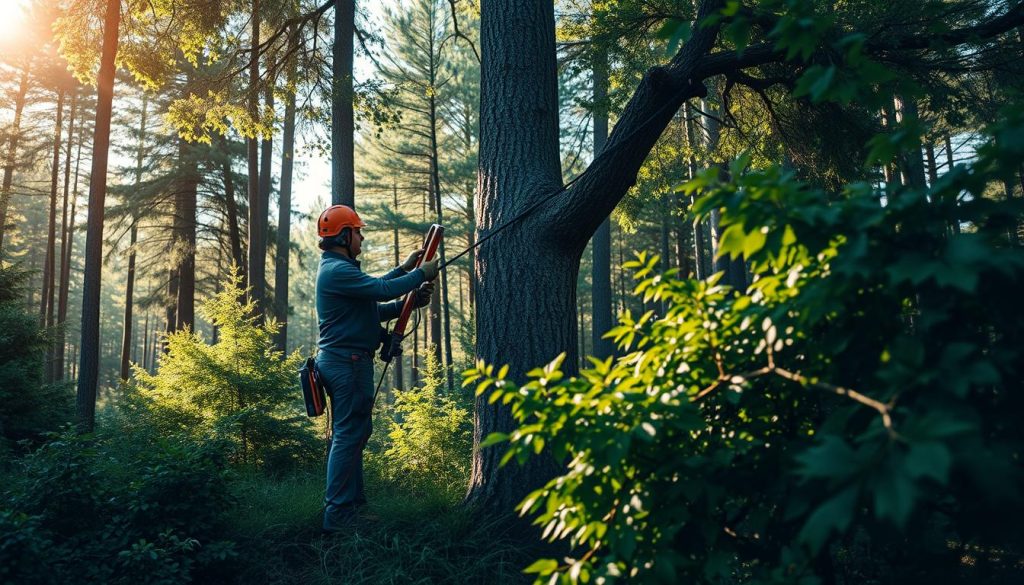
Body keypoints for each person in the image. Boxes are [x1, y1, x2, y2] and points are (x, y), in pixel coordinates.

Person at [315, 204, 439, 532]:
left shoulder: (338, 269)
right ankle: (339, 514)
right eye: (357, 231)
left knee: (353, 434)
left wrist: (406, 278)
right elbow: (379, 290)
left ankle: (352, 505)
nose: (362, 237)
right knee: (349, 435)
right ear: (344, 235)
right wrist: (420, 274)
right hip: (347, 364)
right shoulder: (337, 271)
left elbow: (371, 303)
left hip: (344, 362)